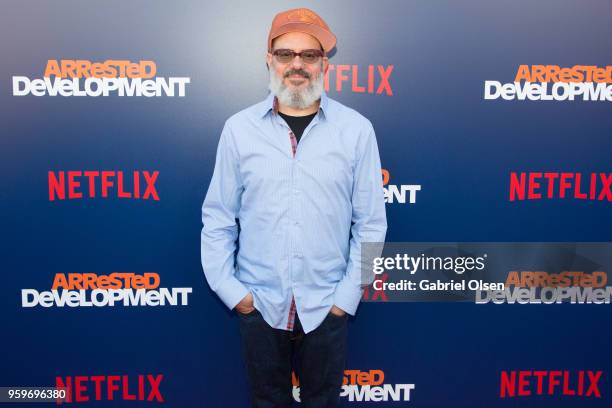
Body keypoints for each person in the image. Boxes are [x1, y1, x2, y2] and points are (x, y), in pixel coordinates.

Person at [201, 7, 387, 407]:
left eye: (309, 55)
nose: (296, 65)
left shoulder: (357, 131)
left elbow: (371, 224)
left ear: (324, 63)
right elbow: (217, 218)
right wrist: (235, 294)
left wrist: (346, 298)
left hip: (327, 307)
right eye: (286, 54)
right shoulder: (239, 129)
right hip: (260, 306)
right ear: (269, 59)